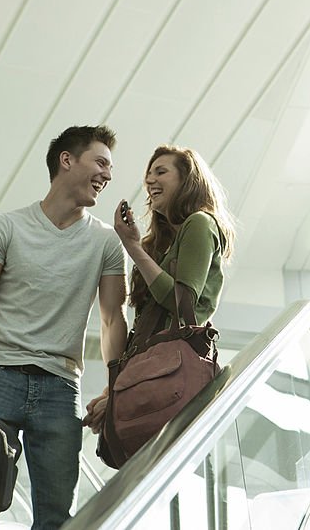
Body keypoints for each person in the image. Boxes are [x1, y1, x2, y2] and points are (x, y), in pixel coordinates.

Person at [0, 125, 128, 530]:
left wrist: (115, 389)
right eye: (100, 162)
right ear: (67, 160)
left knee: (55, 520)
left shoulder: (106, 242)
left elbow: (112, 318)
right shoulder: (7, 227)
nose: (108, 175)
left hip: (60, 389)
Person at [84, 144, 236, 436]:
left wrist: (132, 247)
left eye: (161, 172)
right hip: (156, 373)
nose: (150, 181)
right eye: (148, 175)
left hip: (171, 374)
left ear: (187, 180)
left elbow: (182, 302)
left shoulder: (200, 223)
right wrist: (113, 393)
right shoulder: (165, 245)